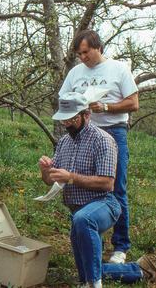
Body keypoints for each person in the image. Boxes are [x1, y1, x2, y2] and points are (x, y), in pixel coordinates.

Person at [38, 92, 156, 287]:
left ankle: (94, 284)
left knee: (83, 220)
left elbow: (107, 184)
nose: (67, 124)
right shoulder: (64, 142)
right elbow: (49, 181)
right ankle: (138, 270)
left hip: (104, 204)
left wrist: (70, 177)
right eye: (64, 120)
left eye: (72, 119)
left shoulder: (103, 140)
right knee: (86, 269)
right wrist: (45, 172)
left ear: (86, 115)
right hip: (78, 212)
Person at [59, 30, 139, 264]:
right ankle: (92, 237)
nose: (83, 57)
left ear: (98, 48)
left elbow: (133, 103)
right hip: (83, 133)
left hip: (113, 130)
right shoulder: (75, 73)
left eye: (86, 52)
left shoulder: (118, 69)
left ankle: (120, 247)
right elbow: (63, 98)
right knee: (84, 186)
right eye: (79, 54)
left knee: (115, 187)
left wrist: (105, 107)